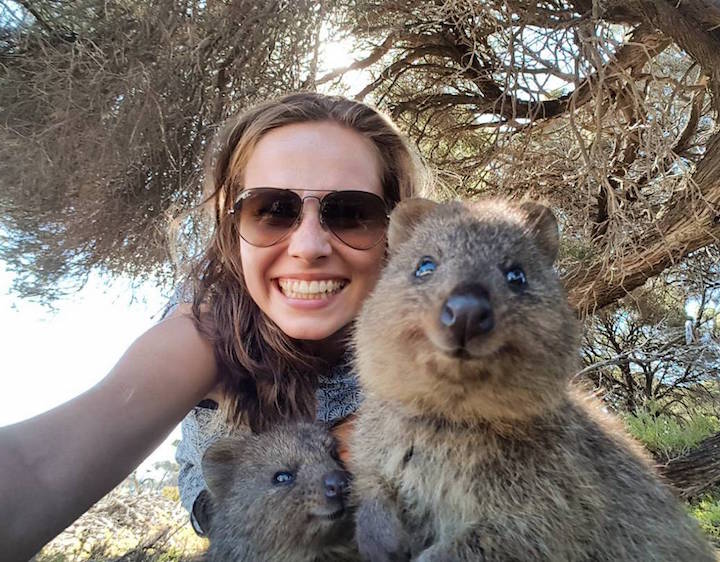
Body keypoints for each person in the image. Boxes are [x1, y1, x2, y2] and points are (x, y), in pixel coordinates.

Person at [0, 92, 425, 560]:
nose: (308, 246)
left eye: (350, 213)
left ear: (394, 232)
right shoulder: (209, 329)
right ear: (233, 226)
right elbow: (38, 468)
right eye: (271, 210)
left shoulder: (436, 318)